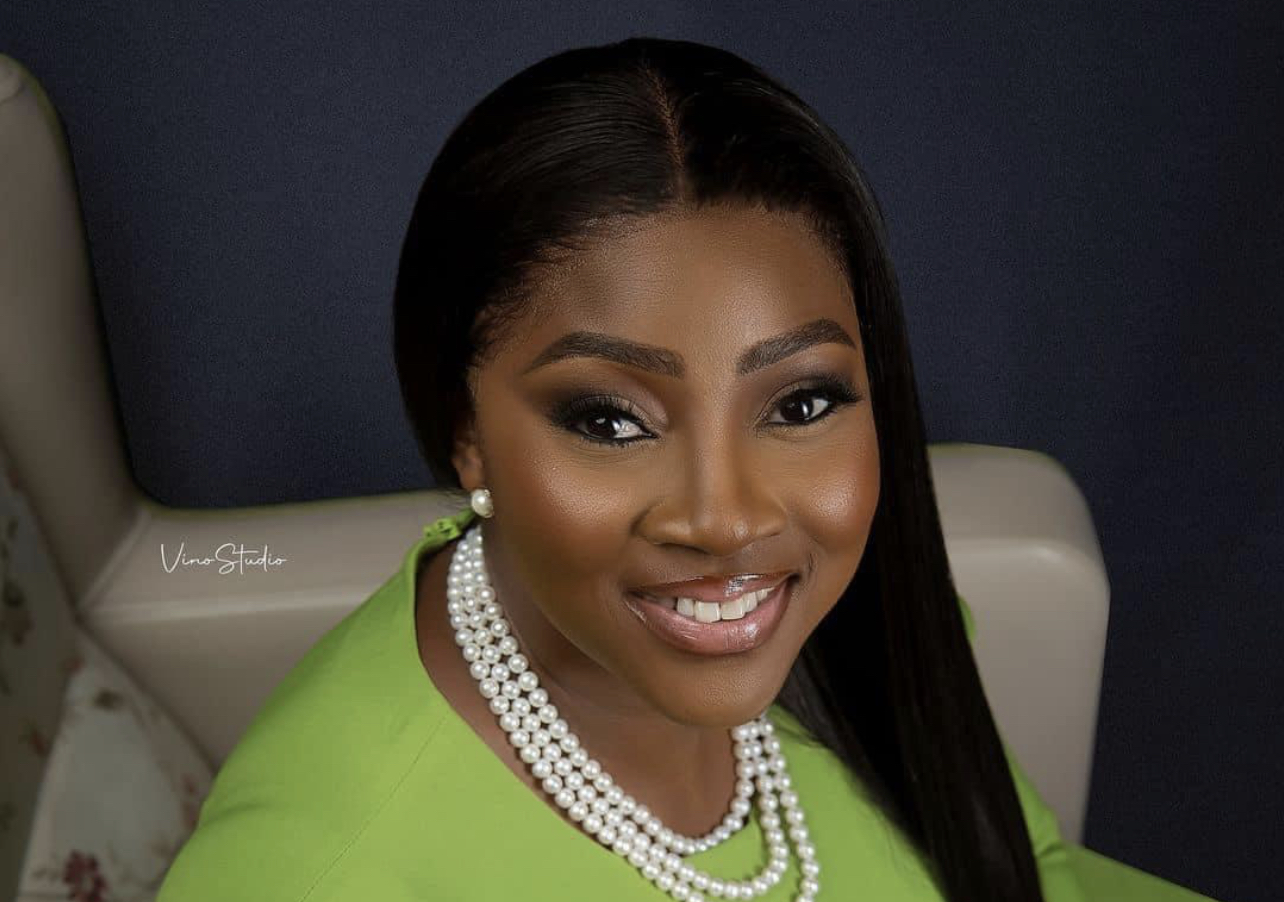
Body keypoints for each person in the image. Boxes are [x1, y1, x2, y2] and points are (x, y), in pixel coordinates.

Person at [157, 37, 1086, 901]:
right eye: (610, 421)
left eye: (800, 405)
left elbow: (1036, 872)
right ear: (466, 430)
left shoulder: (851, 629)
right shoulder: (313, 874)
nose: (725, 519)